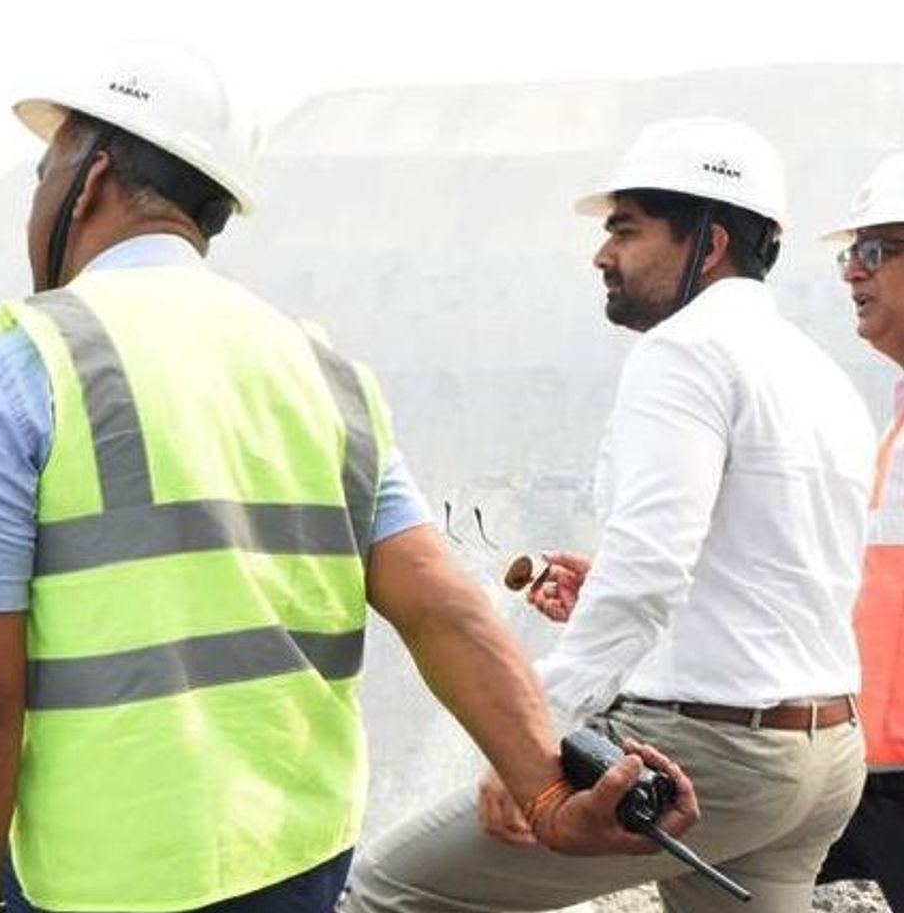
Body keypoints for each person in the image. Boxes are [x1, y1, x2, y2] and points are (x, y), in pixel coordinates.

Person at [0, 44, 697, 913]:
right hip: (295, 859)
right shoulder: (324, 371)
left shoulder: (23, 366)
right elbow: (442, 608)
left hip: (103, 880)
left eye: (43, 175)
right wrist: (546, 794)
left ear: (89, 178)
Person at [343, 117, 876, 913]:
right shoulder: (817, 370)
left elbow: (652, 565)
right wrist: (612, 593)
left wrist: (535, 745)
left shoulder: (683, 352)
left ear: (710, 242)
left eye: (625, 231)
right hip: (823, 754)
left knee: (388, 890)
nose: (601, 254)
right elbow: (787, 569)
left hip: (714, 754)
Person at [813, 153, 904, 911]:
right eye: (852, 252)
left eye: (877, 250)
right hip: (873, 768)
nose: (853, 270)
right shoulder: (897, 422)